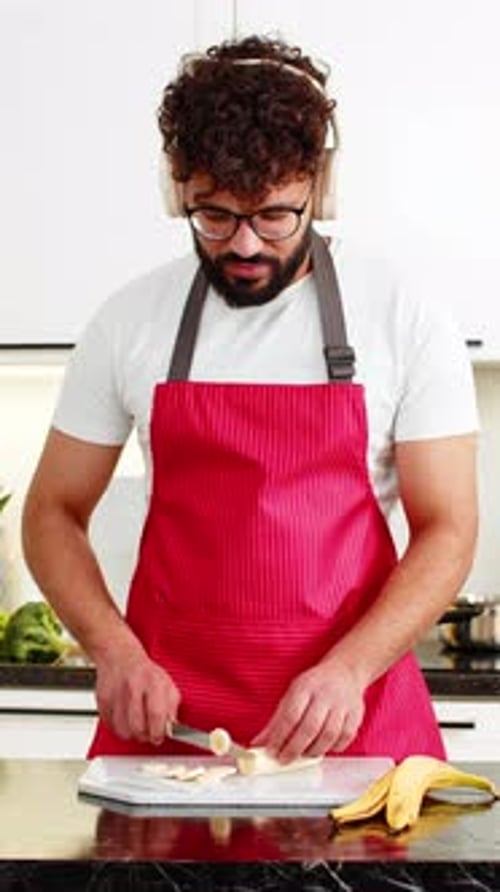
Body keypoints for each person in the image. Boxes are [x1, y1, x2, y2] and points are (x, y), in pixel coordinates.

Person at [22, 35, 478, 763]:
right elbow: (52, 511)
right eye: (214, 216)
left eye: (273, 215)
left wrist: (350, 669)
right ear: (178, 191)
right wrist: (112, 649)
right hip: (168, 734)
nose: (244, 246)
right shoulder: (129, 320)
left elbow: (448, 529)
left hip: (352, 727)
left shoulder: (405, 315)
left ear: (318, 190)